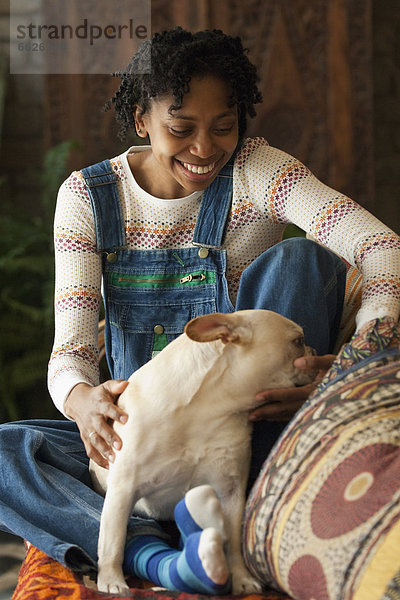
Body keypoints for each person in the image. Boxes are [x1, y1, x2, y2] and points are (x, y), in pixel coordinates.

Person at [1, 27, 399, 594]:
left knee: (300, 261)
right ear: (141, 118)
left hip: (244, 432)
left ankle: (207, 526)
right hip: (140, 450)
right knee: (6, 453)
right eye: (181, 129)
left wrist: (350, 369)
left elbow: (382, 248)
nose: (206, 149)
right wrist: (82, 399)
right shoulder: (88, 198)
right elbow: (70, 352)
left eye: (224, 127)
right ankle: (158, 556)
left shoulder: (259, 171)